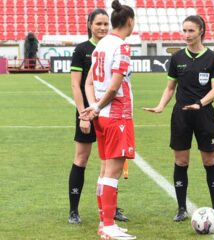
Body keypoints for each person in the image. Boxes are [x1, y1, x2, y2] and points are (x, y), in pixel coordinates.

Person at [143, 15, 214, 222]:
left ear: (201, 31)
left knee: (210, 160)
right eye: (184, 31)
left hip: (204, 114)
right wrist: (161, 105)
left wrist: (200, 103)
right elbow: (170, 87)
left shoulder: (213, 58)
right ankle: (181, 209)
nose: (187, 35)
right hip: (181, 115)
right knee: (181, 161)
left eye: (191, 31)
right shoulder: (177, 58)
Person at [79, 1, 136, 238]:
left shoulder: (100, 45)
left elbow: (89, 82)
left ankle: (104, 222)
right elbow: (114, 86)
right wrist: (99, 105)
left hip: (102, 118)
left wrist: (94, 107)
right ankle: (109, 226)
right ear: (130, 22)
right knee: (112, 173)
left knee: (104, 172)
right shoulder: (122, 46)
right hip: (117, 116)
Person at [68, 8, 128, 225]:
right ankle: (74, 210)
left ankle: (109, 208)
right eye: (98, 24)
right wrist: (84, 113)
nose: (102, 28)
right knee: (81, 158)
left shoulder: (111, 46)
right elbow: (77, 84)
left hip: (108, 112)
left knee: (109, 163)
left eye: (105, 24)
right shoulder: (83, 50)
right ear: (89, 25)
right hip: (88, 110)